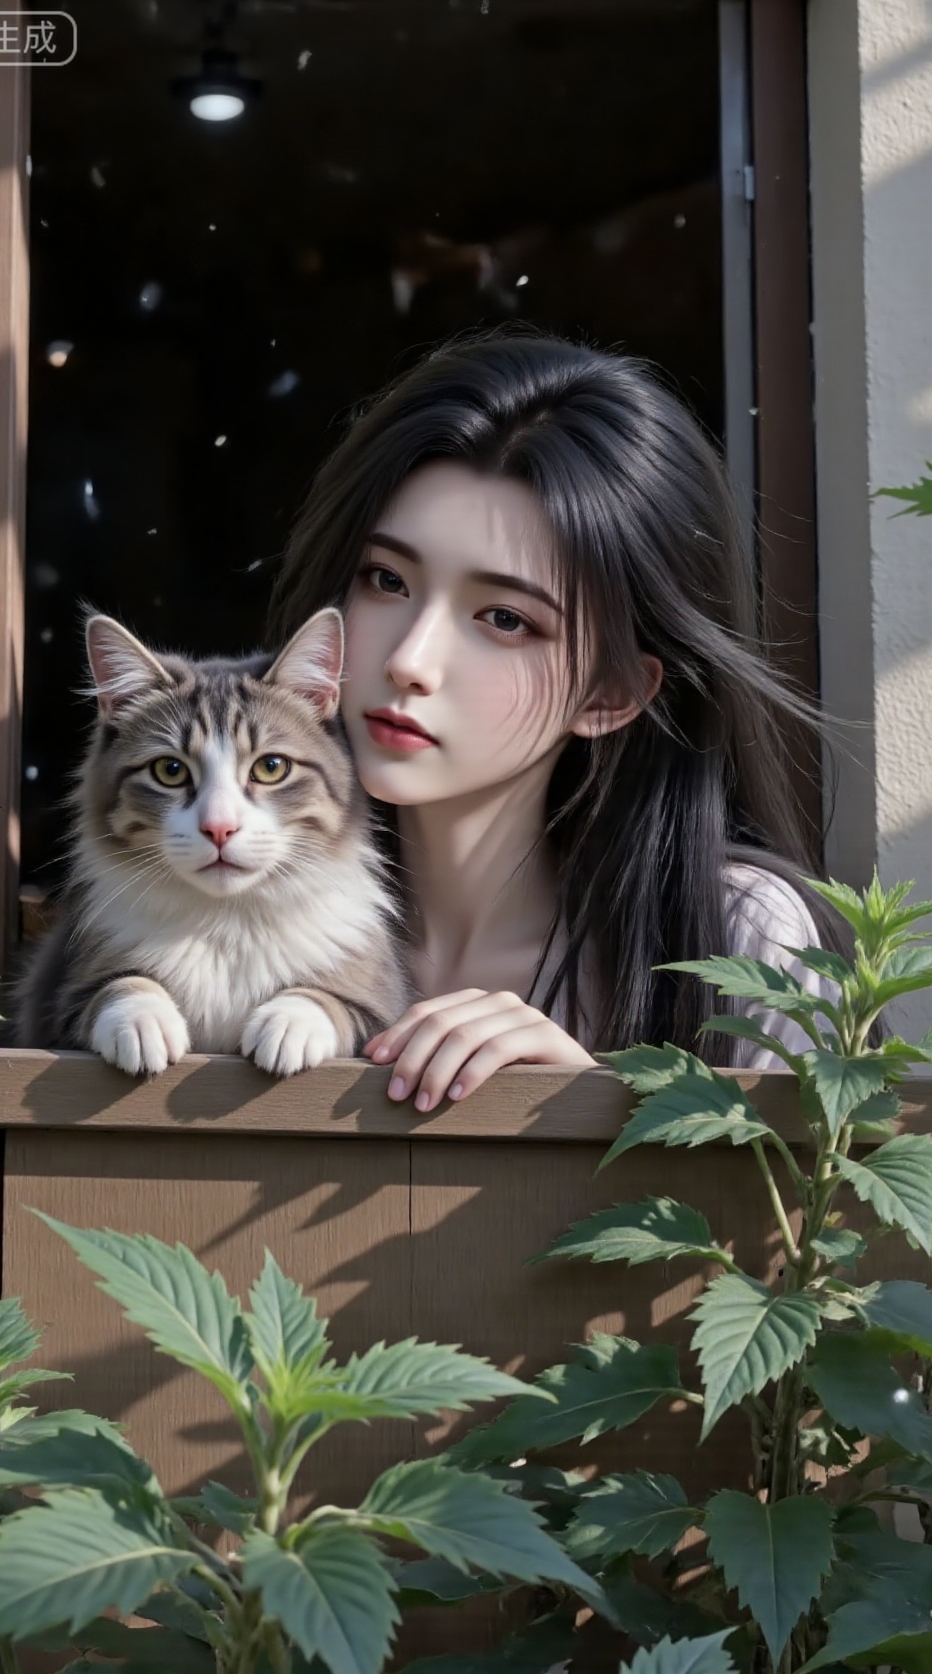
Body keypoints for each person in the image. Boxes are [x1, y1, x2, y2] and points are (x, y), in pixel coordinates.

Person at [266, 331, 850, 1114]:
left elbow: (800, 1232)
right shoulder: (220, 896)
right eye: (385, 579)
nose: (412, 659)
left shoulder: (739, 938)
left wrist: (582, 1114)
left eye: (504, 618)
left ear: (610, 692)